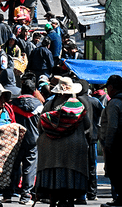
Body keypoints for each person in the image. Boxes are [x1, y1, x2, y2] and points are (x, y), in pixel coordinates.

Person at [37, 78, 90, 207]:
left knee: (55, 174)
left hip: (51, 147)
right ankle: (69, 201)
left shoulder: (50, 104)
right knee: (70, 173)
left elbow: (40, 126)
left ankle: (54, 201)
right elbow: (87, 125)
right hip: (73, 147)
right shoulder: (79, 105)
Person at [101, 75, 122, 206]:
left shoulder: (115, 102)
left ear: (111, 87)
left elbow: (112, 126)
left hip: (118, 143)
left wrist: (108, 145)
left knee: (116, 172)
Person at [6, 79, 43, 204]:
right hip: (33, 139)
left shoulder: (13, 103)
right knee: (29, 167)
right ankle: (26, 195)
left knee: (13, 165)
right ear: (34, 91)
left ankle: (8, 193)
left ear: (21, 90)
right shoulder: (39, 105)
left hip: (16, 138)